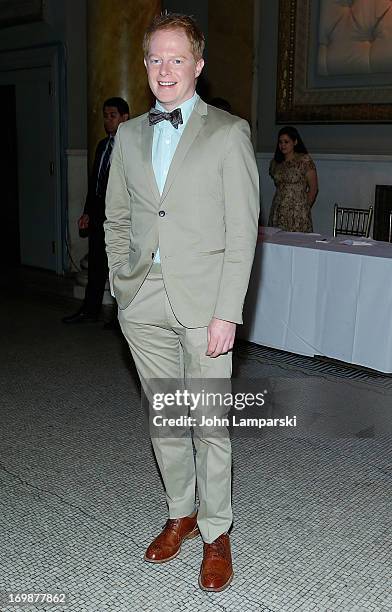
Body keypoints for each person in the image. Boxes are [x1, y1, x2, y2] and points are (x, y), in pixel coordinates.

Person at [104, 13, 259, 592]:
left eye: (177, 59)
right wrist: (123, 285)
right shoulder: (127, 135)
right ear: (145, 65)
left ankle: (217, 532)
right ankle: (181, 513)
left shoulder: (228, 132)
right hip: (143, 300)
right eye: (154, 59)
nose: (165, 70)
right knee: (166, 415)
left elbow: (244, 232)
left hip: (206, 302)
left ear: (198, 64)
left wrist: (229, 311)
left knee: (209, 421)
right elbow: (118, 216)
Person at [62, 97, 130, 325]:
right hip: (99, 215)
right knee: (96, 264)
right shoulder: (103, 146)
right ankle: (89, 310)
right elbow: (95, 184)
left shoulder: (130, 148)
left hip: (120, 218)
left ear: (124, 118)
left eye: (112, 116)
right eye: (105, 115)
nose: (107, 120)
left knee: (120, 266)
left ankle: (122, 316)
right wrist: (87, 212)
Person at [268, 126, 318, 232]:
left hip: (298, 212)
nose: (283, 145)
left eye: (286, 142)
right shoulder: (276, 162)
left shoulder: (304, 160)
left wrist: (304, 207)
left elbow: (313, 189)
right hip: (278, 209)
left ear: (295, 142)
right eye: (280, 142)